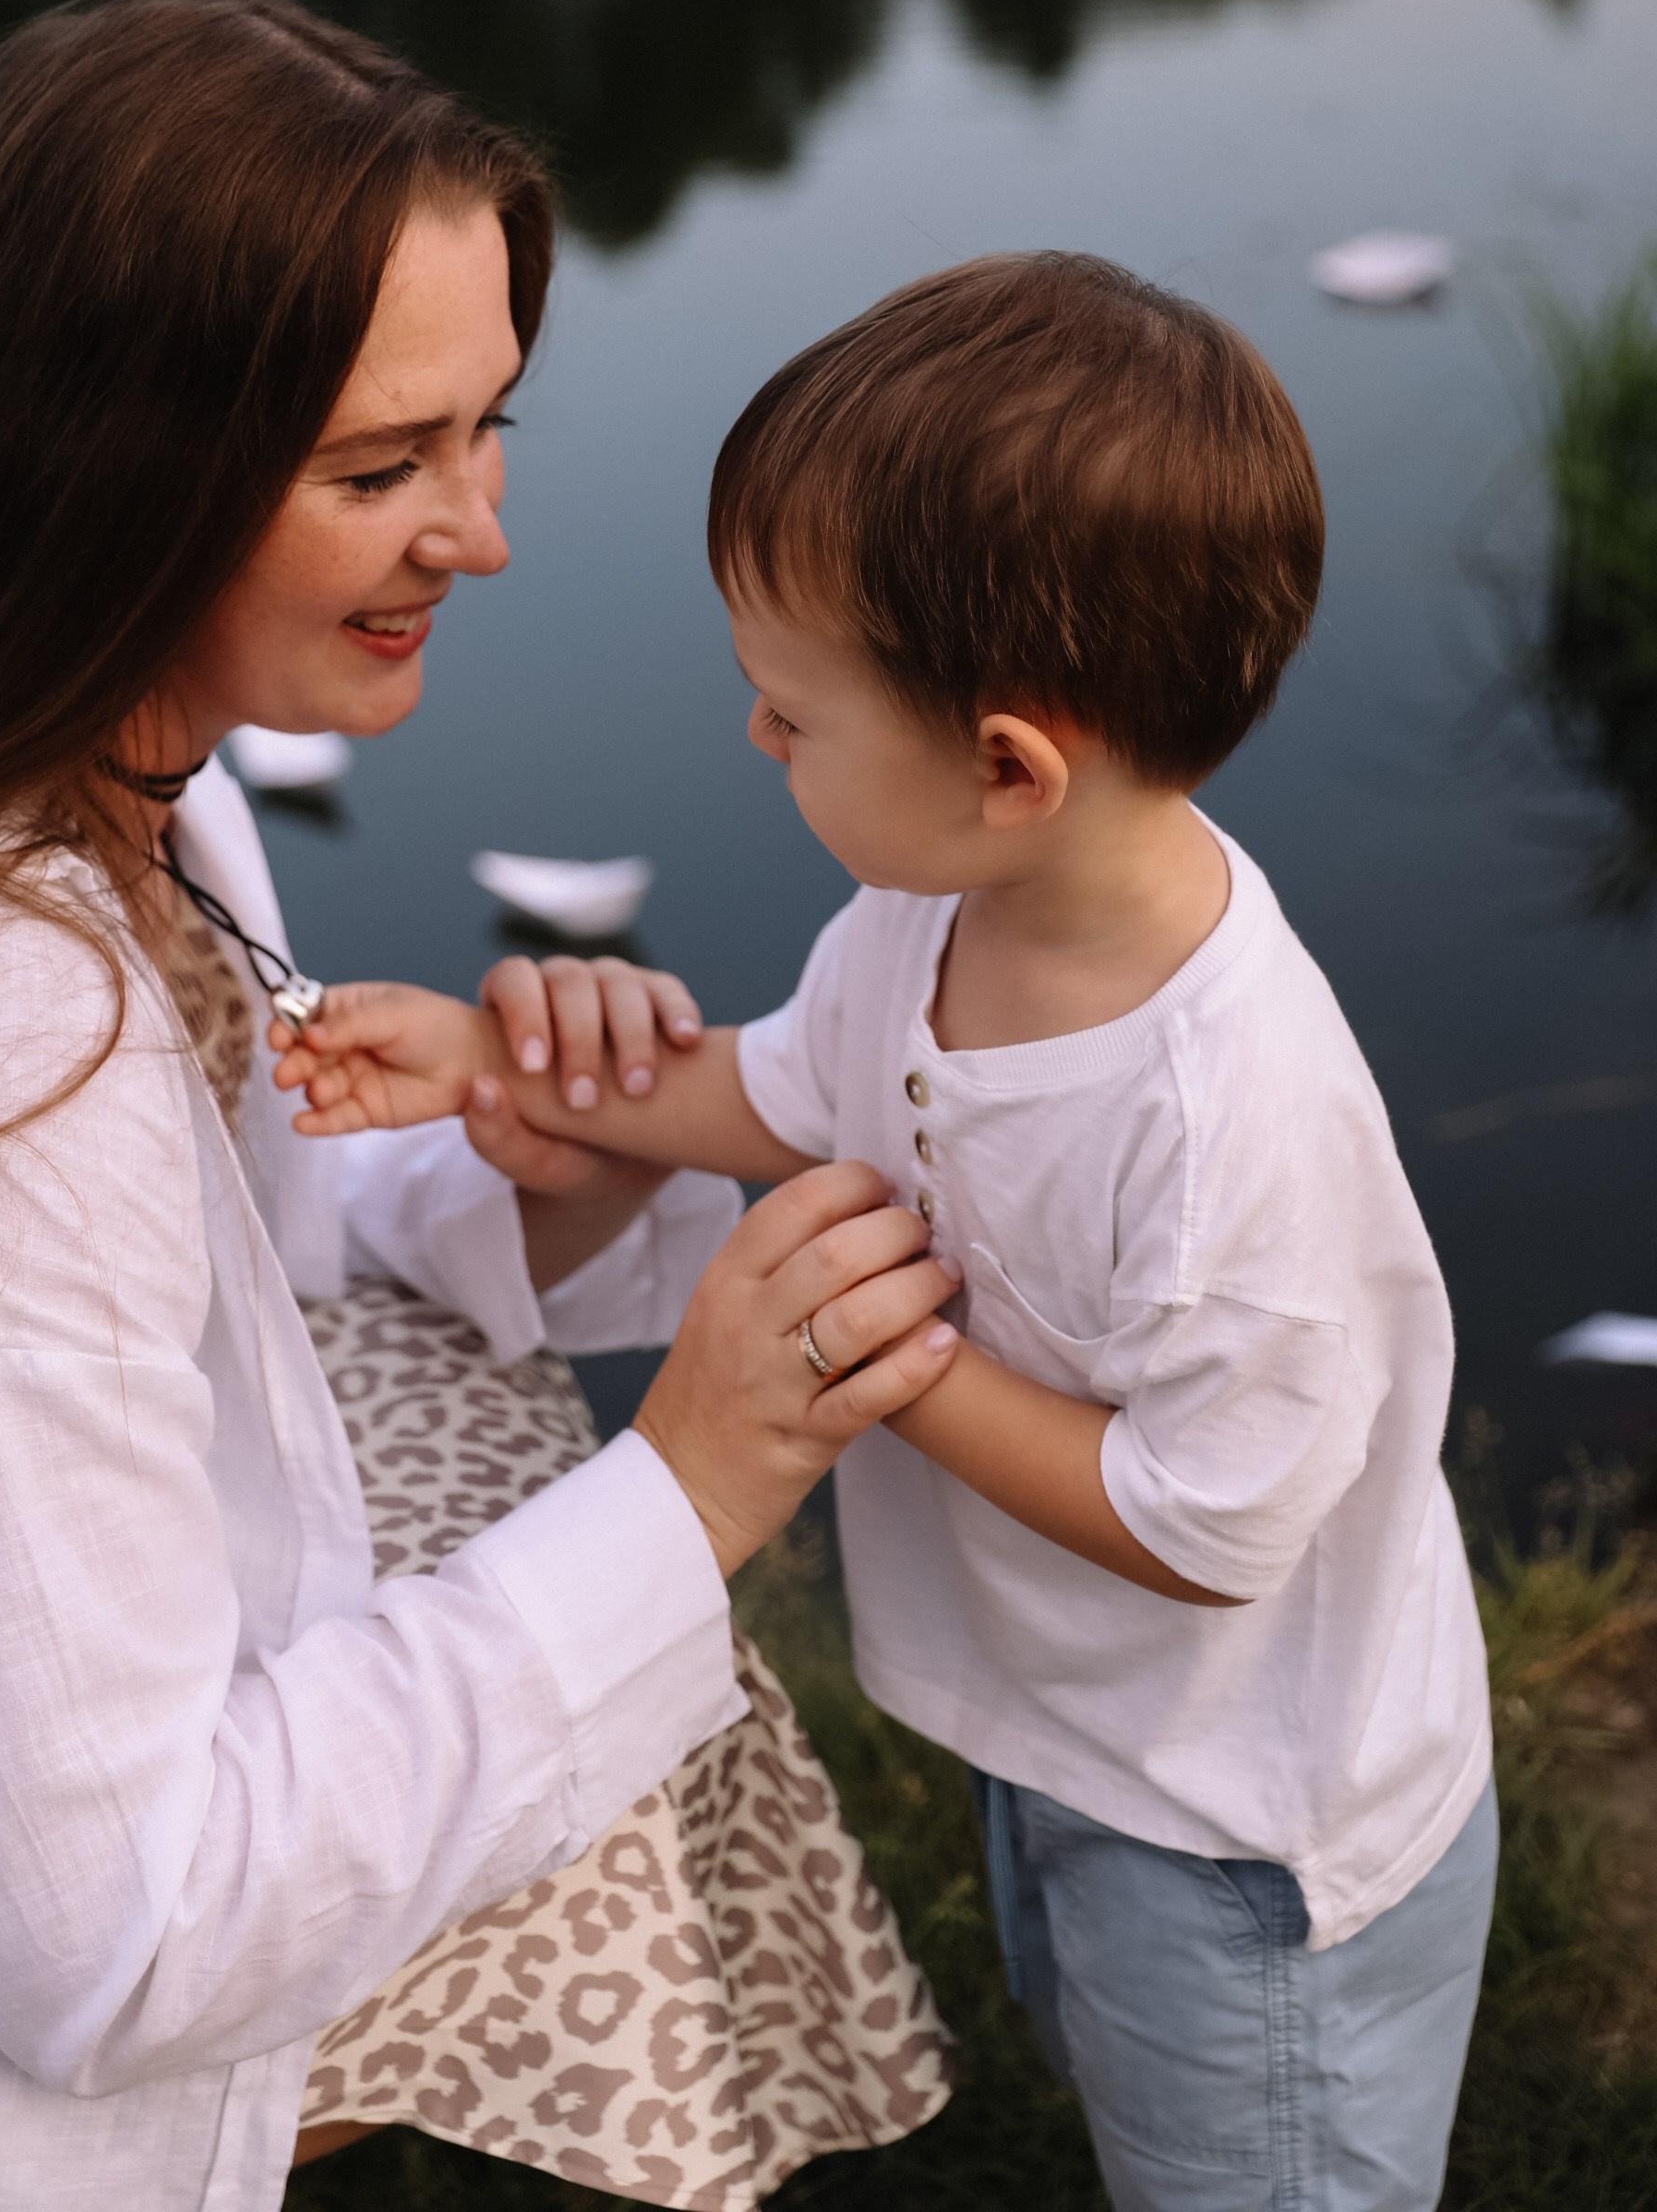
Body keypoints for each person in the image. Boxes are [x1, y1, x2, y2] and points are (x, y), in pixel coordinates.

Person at [0, 0, 962, 2210]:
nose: (482, 532)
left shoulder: (76, 758)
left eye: (486, 427)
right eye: (378, 469)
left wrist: (535, 1170)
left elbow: (241, 1244)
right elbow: (115, 1937)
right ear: (101, 466)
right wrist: (697, 1481)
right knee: (614, 1687)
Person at [280, 250, 1499, 2212]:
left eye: (789, 714)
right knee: (1112, 2067)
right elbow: (774, 1092)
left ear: (1007, 766)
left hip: (1248, 1820)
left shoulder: (1226, 1123)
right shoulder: (929, 924)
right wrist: (498, 1064)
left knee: (1253, 2162)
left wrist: (885, 1371)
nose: (759, 747)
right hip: (1080, 1735)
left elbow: (1210, 1523)